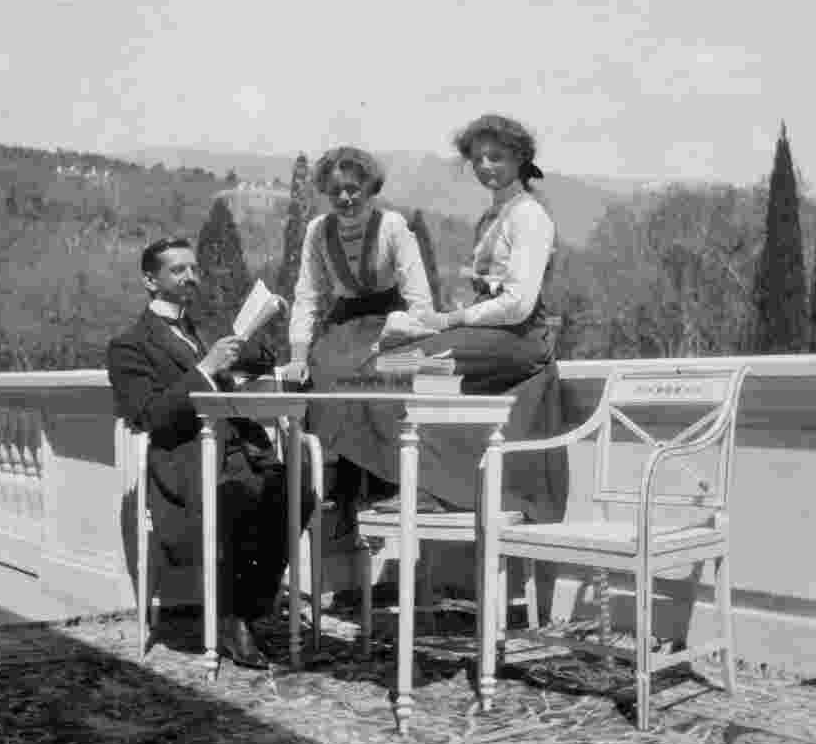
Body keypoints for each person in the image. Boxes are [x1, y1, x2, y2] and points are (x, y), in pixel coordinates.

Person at [311, 115, 569, 522]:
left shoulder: (529, 216)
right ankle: (394, 483)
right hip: (487, 335)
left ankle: (433, 488)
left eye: (496, 157)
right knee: (384, 364)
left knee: (392, 368)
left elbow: (518, 305)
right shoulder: (495, 215)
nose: (485, 166)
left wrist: (449, 321)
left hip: (519, 339)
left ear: (520, 157)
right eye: (477, 158)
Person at [107, 237, 313, 669]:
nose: (190, 277)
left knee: (299, 492)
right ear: (150, 280)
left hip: (241, 449)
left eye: (193, 269)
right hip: (185, 461)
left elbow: (257, 361)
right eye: (177, 270)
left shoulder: (202, 328)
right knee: (240, 496)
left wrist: (251, 340)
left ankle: (248, 610)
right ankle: (236, 620)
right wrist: (205, 370)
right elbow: (150, 415)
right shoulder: (129, 346)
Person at [284, 146, 434, 530]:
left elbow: (419, 295)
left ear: (370, 188)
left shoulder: (392, 226)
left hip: (391, 321)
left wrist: (411, 332)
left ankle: (386, 481)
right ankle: (337, 485)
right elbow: (307, 295)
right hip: (345, 323)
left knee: (376, 375)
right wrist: (298, 354)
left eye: (353, 188)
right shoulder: (318, 231)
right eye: (335, 191)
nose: (345, 198)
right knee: (323, 371)